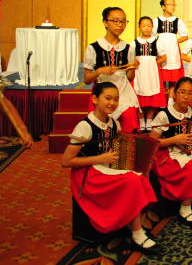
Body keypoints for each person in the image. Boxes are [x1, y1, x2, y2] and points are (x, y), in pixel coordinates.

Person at [62, 82, 161, 255]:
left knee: (141, 174)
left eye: (116, 99)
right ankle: (137, 233)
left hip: (106, 167)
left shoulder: (114, 123)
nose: (112, 103)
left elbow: (117, 150)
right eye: (107, 98)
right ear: (94, 99)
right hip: (87, 174)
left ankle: (131, 223)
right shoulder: (85, 126)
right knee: (133, 180)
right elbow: (66, 161)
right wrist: (100, 159)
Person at [149, 77, 192, 226]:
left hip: (185, 153)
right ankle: (185, 208)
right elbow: (152, 142)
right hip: (167, 155)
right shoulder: (164, 114)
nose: (186, 97)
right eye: (182, 92)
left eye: (191, 93)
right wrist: (174, 140)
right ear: (174, 93)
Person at [83, 7, 140, 133]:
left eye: (123, 21)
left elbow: (129, 77)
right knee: (100, 128)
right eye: (115, 21)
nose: (120, 25)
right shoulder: (93, 48)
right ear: (105, 22)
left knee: (129, 119)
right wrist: (99, 71)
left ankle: (125, 151)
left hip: (123, 93)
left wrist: (134, 67)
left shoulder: (129, 48)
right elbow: (86, 79)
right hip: (102, 92)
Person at [131, 16, 167, 131]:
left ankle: (149, 120)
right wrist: (135, 62)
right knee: (139, 94)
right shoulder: (134, 43)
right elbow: (131, 59)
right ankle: (141, 120)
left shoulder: (156, 42)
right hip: (139, 72)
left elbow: (164, 57)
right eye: (144, 26)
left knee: (153, 95)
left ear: (152, 27)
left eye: (149, 26)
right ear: (139, 27)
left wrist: (154, 62)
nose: (147, 28)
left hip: (152, 72)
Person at [153, 0, 188, 96]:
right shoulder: (156, 21)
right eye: (170, 4)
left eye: (174, 5)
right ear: (163, 6)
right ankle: (162, 100)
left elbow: (185, 36)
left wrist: (173, 41)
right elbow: (151, 36)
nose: (172, 7)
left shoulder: (178, 21)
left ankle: (170, 100)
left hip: (173, 51)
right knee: (162, 76)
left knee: (173, 78)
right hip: (161, 50)